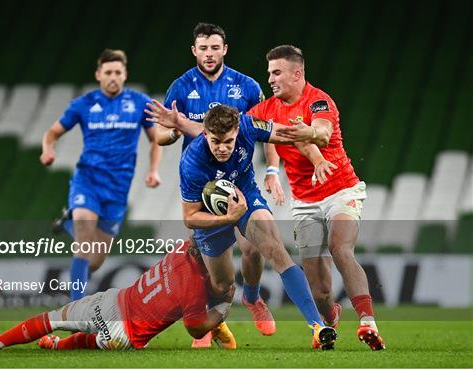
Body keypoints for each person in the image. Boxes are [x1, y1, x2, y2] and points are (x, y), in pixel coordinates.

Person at [146, 103, 338, 349]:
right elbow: (190, 217)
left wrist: (312, 137)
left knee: (276, 252)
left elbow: (285, 134)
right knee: (222, 285)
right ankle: (216, 325)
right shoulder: (191, 162)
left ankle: (317, 327)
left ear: (238, 130)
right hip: (210, 214)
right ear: (205, 134)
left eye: (229, 141)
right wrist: (227, 219)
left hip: (246, 196)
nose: (223, 148)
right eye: (216, 141)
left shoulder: (248, 125)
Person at [248, 45, 386, 350]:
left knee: (341, 248)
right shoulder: (267, 108)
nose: (270, 78)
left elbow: (322, 133)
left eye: (276, 72)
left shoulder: (319, 101)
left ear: (297, 74)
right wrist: (272, 169)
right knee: (321, 290)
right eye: (269, 72)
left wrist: (307, 137)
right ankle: (330, 317)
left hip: (341, 190)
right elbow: (251, 129)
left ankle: (367, 322)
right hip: (305, 203)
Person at [155, 22, 281, 346]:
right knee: (207, 264)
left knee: (254, 246)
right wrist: (173, 131)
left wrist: (272, 170)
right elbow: (160, 133)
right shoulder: (181, 88)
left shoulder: (248, 87)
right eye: (203, 48)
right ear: (194, 50)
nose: (209, 54)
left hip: (239, 179)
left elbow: (266, 130)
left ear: (224, 49)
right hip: (200, 184)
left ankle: (252, 298)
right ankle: (211, 323)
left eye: (215, 48)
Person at [40, 49, 162, 301]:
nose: (113, 77)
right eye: (108, 73)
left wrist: (153, 171)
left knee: (94, 261)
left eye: (118, 72)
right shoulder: (83, 104)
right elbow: (52, 133)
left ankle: (67, 224)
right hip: (88, 181)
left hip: (118, 189)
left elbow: (155, 140)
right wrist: (48, 149)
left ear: (125, 74)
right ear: (99, 75)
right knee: (85, 236)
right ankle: (76, 309)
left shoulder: (140, 103)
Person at [0, 240, 237, 351]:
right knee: (90, 342)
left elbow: (198, 232)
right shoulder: (194, 289)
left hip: (115, 302)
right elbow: (195, 329)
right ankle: (55, 345)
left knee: (54, 318)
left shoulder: (181, 249)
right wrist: (223, 307)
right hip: (125, 336)